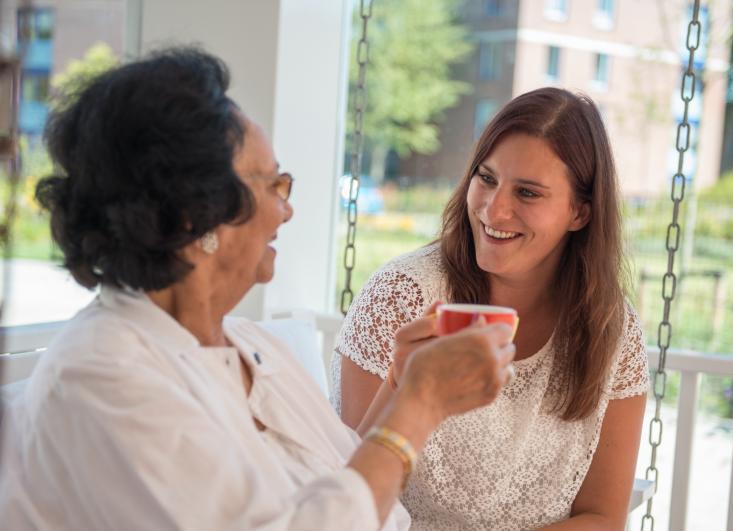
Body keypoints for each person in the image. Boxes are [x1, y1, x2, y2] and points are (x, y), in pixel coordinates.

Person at [0, 48, 518, 531]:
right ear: (193, 215)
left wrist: (403, 387)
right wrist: (420, 406)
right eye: (273, 185)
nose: (286, 209)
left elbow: (348, 494)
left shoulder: (254, 347)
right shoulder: (100, 376)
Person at [333, 87, 649, 530]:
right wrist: (401, 382)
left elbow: (602, 517)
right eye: (486, 178)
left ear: (580, 212)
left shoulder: (611, 329)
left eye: (528, 193)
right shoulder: (401, 296)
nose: (494, 209)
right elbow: (345, 503)